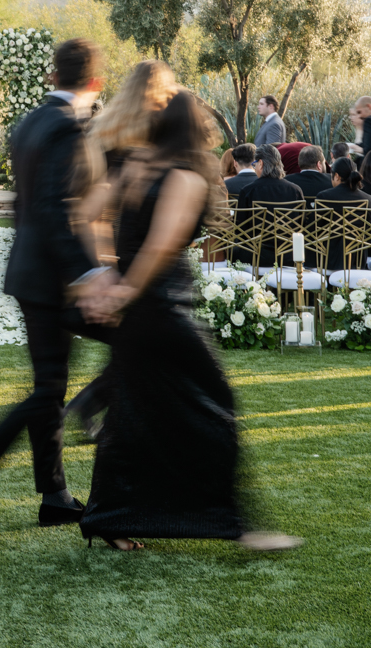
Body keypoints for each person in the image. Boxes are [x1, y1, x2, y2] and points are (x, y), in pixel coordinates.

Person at [77, 90, 300, 553]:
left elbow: (83, 215)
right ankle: (237, 526)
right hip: (162, 307)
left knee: (130, 413)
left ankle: (111, 520)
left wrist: (104, 275)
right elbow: (161, 247)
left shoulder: (136, 165)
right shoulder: (184, 177)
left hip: (139, 311)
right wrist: (124, 290)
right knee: (215, 405)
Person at [0, 39, 113, 530]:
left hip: (32, 272)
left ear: (52, 76)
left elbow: (27, 204)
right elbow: (52, 207)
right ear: (95, 81)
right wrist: (90, 272)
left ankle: (55, 496)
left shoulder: (30, 122)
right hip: (56, 277)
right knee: (57, 387)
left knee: (47, 387)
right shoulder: (64, 127)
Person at [64, 59, 177, 436]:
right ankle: (94, 406)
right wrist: (105, 271)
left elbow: (89, 214)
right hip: (143, 256)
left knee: (139, 345)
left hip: (124, 255)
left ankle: (96, 406)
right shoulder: (150, 137)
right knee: (149, 345)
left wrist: (102, 264)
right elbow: (95, 210)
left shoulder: (109, 133)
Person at [235, 145, 304, 269]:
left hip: (255, 257)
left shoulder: (248, 191)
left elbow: (240, 232)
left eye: (254, 164)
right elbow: (300, 226)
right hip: (289, 256)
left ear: (260, 163)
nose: (254, 167)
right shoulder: (296, 191)